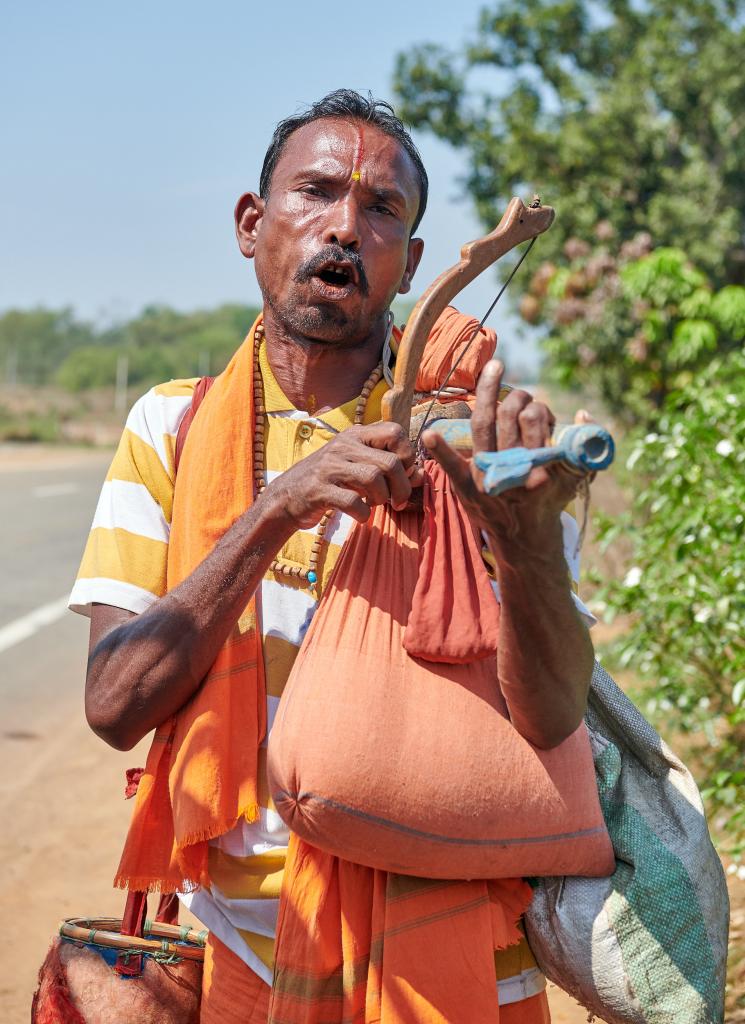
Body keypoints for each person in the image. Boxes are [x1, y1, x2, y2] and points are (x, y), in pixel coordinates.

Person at [70, 89, 596, 1022]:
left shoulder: (488, 441)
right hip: (236, 946)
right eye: (315, 192)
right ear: (251, 223)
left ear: (415, 264)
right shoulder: (171, 426)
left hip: (466, 962)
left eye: (381, 209)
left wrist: (523, 544)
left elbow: (551, 716)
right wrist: (275, 508)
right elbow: (115, 705)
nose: (345, 228)